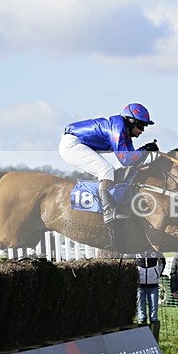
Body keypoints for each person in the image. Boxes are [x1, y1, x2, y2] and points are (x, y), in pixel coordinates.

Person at [59, 103, 159, 250]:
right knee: (106, 170)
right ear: (131, 121)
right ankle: (108, 212)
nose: (142, 131)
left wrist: (147, 153)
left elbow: (132, 162)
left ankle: (108, 203)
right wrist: (145, 150)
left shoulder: (124, 133)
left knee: (110, 170)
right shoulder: (117, 130)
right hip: (71, 145)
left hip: (80, 144)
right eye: (141, 126)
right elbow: (126, 159)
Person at [135, 250, 165, 342]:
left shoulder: (155, 251)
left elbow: (163, 261)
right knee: (141, 314)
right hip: (140, 286)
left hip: (153, 286)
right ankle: (142, 340)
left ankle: (154, 340)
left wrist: (157, 274)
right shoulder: (136, 252)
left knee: (154, 314)